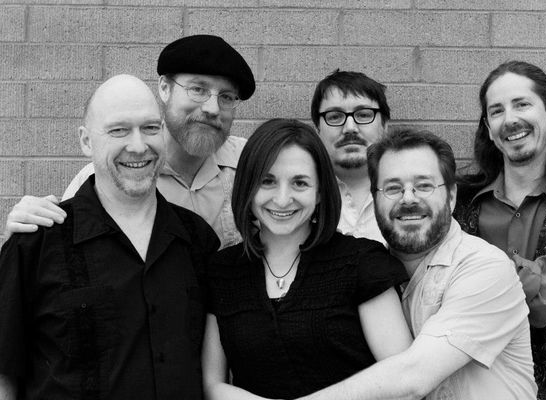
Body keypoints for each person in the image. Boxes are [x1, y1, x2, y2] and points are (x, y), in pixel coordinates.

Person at [0, 75, 220, 399]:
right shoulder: (35, 243)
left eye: (150, 128)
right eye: (119, 130)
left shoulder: (199, 241)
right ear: (86, 141)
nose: (138, 146)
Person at [299, 128, 536, 400]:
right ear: (375, 200)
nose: (408, 198)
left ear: (451, 196)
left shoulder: (485, 268)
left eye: (424, 185)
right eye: (393, 188)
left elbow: (413, 378)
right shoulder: (368, 274)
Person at [201, 119, 412, 399]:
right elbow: (213, 384)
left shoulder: (362, 263)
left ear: (320, 192)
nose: (282, 199)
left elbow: (402, 377)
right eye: (267, 181)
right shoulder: (222, 271)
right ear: (248, 187)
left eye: (299, 183)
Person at [5, 34, 255, 249]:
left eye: (226, 96)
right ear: (165, 88)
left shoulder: (252, 165)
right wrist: (25, 232)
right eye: (198, 89)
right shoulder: (105, 175)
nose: (212, 108)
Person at [454, 60, 546, 399]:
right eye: (497, 111)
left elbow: (540, 303)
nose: (510, 119)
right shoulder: (460, 205)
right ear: (488, 128)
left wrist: (473, 286)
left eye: (522, 104)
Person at [310, 70, 390, 244]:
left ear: (384, 126)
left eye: (363, 115)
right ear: (317, 130)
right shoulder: (300, 197)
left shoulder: (413, 196)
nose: (350, 128)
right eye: (335, 117)